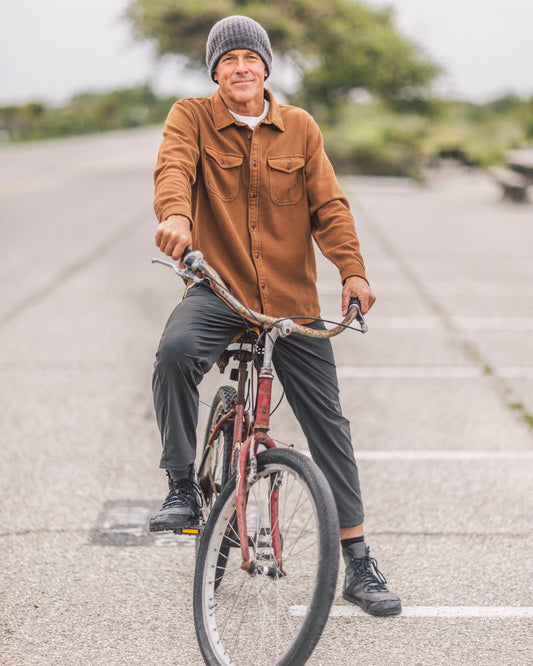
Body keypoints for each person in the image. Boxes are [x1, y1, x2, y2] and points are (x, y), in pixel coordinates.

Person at [149, 15, 401, 617]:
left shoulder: (300, 128)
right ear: (215, 71)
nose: (240, 68)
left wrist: (354, 270)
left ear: (266, 68)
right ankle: (182, 484)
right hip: (220, 289)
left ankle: (358, 561)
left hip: (290, 301)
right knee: (175, 354)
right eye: (228, 60)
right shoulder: (191, 116)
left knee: (329, 426)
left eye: (251, 60)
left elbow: (330, 206)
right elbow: (173, 170)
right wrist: (177, 219)